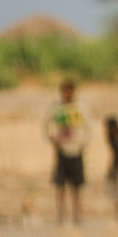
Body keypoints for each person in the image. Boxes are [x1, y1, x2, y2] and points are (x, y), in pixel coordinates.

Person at [42, 80, 88, 224]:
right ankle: (60, 217)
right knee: (60, 186)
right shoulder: (56, 108)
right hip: (61, 151)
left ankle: (77, 216)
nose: (68, 95)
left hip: (76, 150)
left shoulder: (81, 108)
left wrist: (82, 143)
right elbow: (46, 125)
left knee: (77, 187)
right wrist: (53, 140)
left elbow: (88, 127)